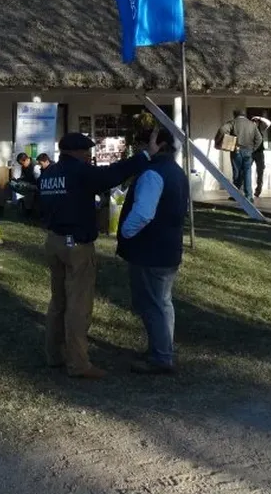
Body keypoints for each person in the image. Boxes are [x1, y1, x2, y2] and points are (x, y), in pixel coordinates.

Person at [39, 131, 158, 380]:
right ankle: (79, 363)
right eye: (86, 151)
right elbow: (111, 176)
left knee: (57, 301)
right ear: (75, 152)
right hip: (76, 245)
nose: (89, 155)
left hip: (53, 241)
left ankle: (54, 355)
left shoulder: (49, 173)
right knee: (78, 305)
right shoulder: (79, 172)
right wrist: (145, 155)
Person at [117, 127, 189, 375]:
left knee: (151, 304)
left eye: (148, 142)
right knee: (163, 303)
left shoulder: (153, 173)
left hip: (149, 249)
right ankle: (162, 349)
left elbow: (144, 213)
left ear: (159, 144)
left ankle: (160, 356)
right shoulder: (177, 172)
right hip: (169, 247)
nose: (144, 147)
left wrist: (125, 232)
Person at [216, 110, 263, 201]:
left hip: (236, 150)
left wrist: (218, 142)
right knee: (247, 172)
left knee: (237, 172)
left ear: (235, 115)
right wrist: (253, 149)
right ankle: (249, 195)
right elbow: (259, 138)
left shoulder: (233, 122)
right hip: (248, 151)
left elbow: (222, 130)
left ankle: (236, 195)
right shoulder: (252, 124)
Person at [250, 116, 271, 198]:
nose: (255, 123)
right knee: (247, 169)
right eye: (253, 121)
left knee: (260, 171)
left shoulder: (260, 130)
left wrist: (260, 118)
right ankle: (247, 189)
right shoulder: (249, 131)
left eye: (256, 122)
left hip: (259, 153)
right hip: (251, 152)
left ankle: (258, 190)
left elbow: (269, 123)